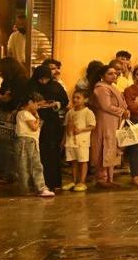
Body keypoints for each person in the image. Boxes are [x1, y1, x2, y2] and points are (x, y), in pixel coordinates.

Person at [0, 57, 30, 185]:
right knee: (3, 144)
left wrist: (2, 98)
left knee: (6, 145)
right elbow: (0, 96)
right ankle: (11, 172)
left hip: (11, 115)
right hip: (6, 114)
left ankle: (11, 173)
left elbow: (11, 99)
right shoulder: (9, 80)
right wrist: (3, 97)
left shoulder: (20, 81)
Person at [89, 63, 128, 187]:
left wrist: (126, 110)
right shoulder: (101, 88)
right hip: (105, 120)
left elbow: (121, 103)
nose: (114, 75)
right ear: (102, 76)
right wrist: (122, 111)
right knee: (104, 145)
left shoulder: (112, 87)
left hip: (114, 120)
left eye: (115, 73)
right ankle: (102, 178)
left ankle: (109, 178)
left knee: (112, 146)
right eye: (110, 73)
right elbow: (106, 106)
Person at [32, 62, 68, 191]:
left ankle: (53, 181)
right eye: (41, 79)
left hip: (52, 122)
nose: (43, 81)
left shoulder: (56, 86)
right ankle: (37, 181)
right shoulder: (31, 87)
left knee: (52, 152)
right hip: (34, 121)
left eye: (46, 78)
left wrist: (56, 104)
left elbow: (65, 100)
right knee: (37, 151)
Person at [15, 92, 52, 197]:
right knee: (34, 165)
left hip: (30, 141)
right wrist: (38, 118)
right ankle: (40, 187)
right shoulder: (25, 113)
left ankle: (26, 188)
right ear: (30, 102)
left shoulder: (24, 114)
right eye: (38, 104)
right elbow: (34, 127)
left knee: (26, 165)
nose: (38, 107)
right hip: (27, 141)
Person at [63, 90, 95, 191]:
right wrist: (64, 139)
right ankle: (74, 180)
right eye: (74, 97)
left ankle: (82, 181)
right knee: (73, 161)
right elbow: (66, 126)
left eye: (78, 98)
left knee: (82, 161)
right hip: (71, 140)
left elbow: (92, 126)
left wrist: (81, 129)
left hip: (82, 141)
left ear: (85, 99)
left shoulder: (88, 112)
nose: (75, 99)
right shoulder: (70, 112)